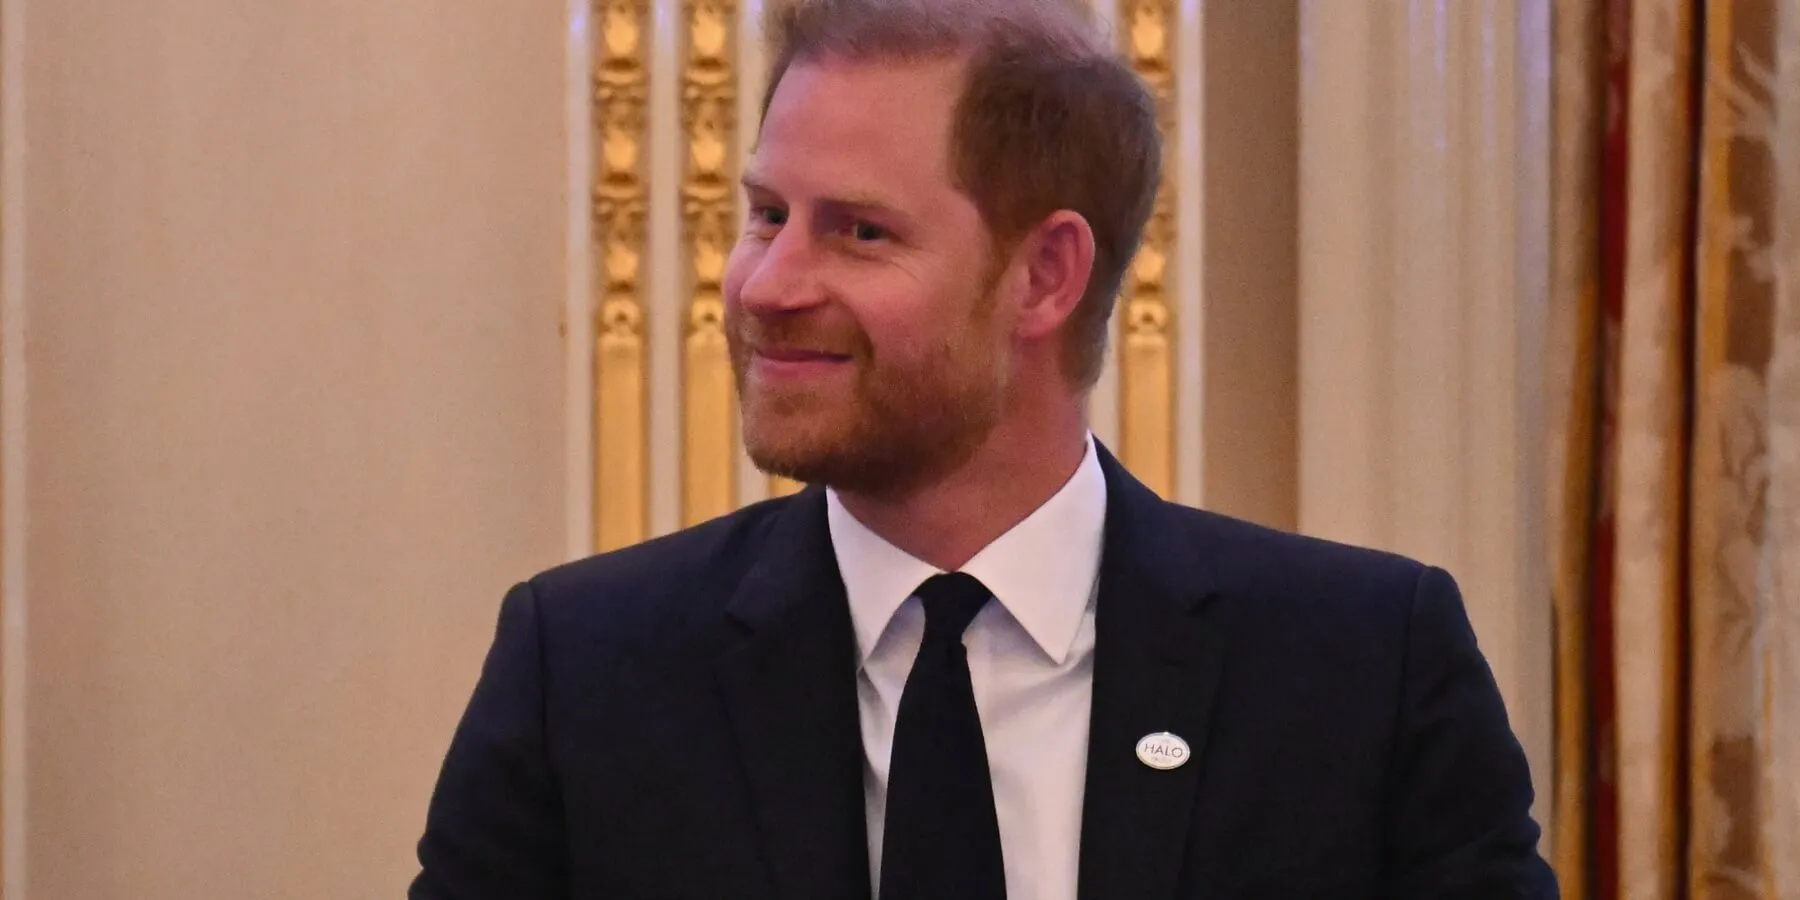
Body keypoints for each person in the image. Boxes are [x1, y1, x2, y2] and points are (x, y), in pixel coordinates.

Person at [410, 0, 1559, 897]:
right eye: (766, 215)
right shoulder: (591, 673)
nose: (766, 285)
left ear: (1045, 275)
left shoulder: (1360, 673)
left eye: (857, 231)